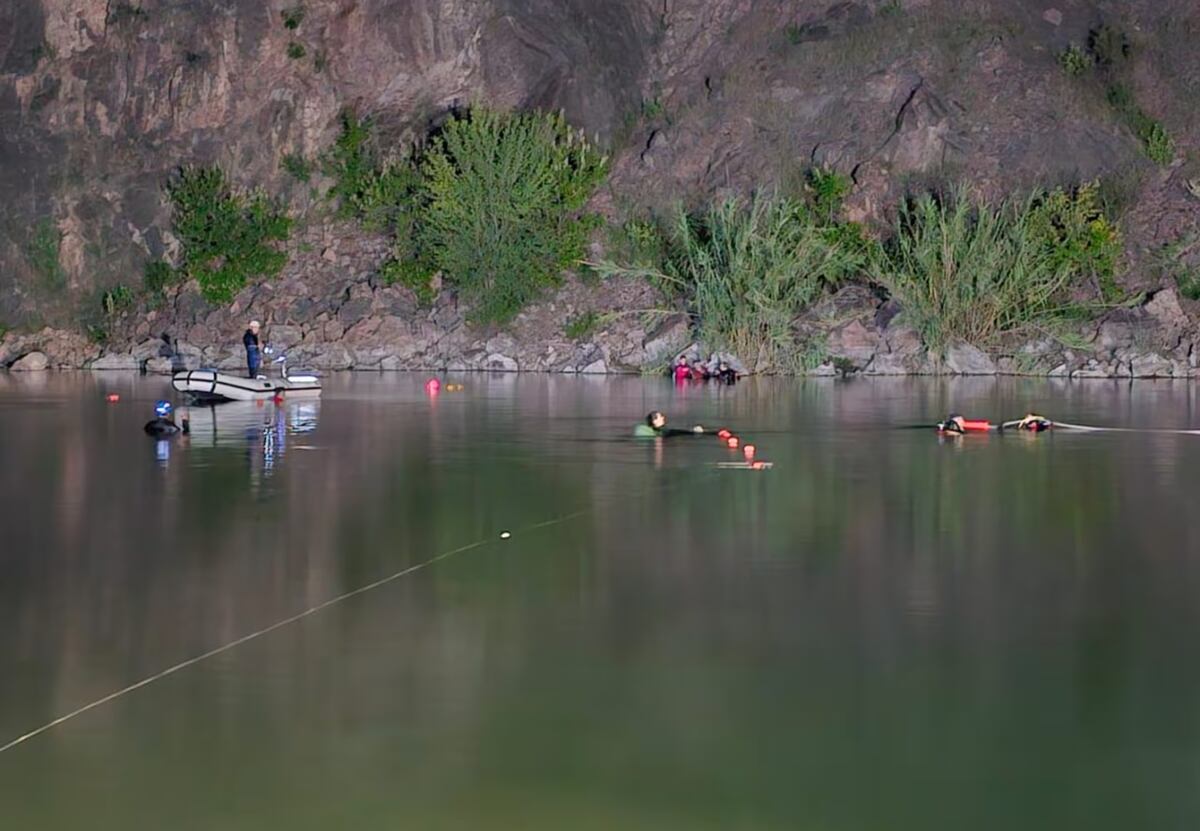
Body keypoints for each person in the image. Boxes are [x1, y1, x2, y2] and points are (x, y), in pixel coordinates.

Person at [634, 411, 706, 438]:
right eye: (661, 416)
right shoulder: (661, 431)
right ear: (654, 421)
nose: (663, 417)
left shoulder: (662, 430)